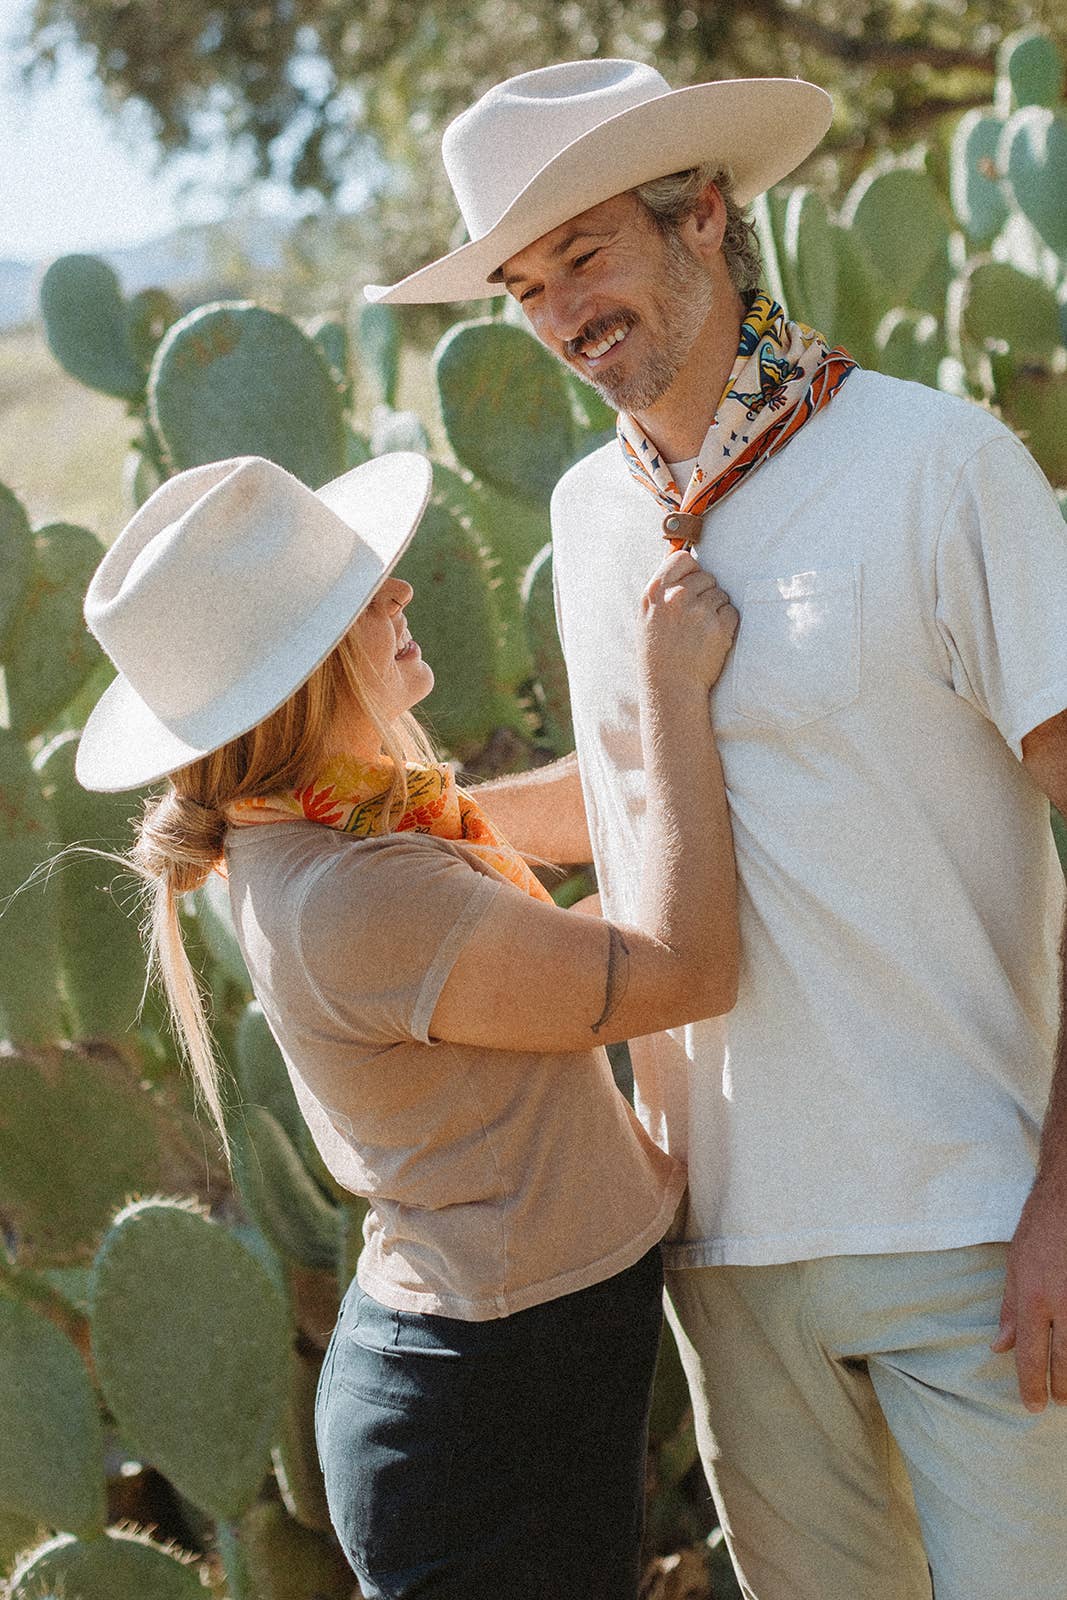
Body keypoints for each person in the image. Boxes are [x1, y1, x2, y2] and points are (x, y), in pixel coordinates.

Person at [365, 57, 1067, 1600]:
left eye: (586, 254)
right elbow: (631, 808)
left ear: (703, 212)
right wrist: (347, 841)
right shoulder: (583, 516)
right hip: (723, 1257)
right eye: (524, 284)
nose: (559, 314)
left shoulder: (938, 468)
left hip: (972, 1227)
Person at [74, 449, 741, 1600]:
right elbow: (683, 971)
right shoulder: (357, 893)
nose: (400, 594)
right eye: (357, 597)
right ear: (295, 676)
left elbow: (568, 823)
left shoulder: (332, 821)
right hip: (487, 1416)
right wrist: (670, 693)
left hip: (499, 1379)